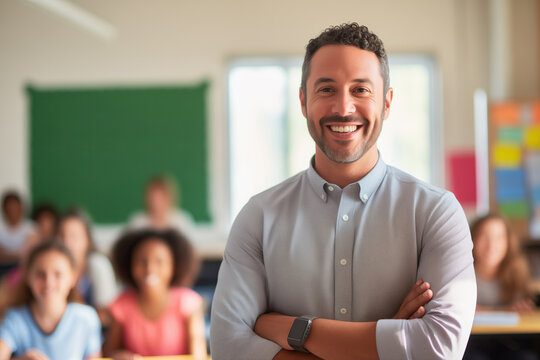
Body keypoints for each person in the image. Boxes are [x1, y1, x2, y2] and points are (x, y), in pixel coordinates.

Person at [210, 23, 476, 360]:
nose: (344, 107)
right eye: (326, 89)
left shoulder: (435, 212)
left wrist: (293, 329)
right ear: (304, 101)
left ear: (388, 103)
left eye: (361, 89)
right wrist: (388, 336)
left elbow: (439, 348)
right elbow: (228, 349)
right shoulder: (259, 217)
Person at [104, 229, 206, 360]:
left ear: (173, 266)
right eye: (142, 261)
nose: (149, 269)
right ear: (130, 265)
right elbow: (108, 353)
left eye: (159, 261)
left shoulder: (187, 303)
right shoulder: (122, 305)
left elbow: (199, 355)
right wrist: (119, 356)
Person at [0, 241, 102, 360]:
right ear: (28, 276)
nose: (49, 283)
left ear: (73, 277)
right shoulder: (15, 319)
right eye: (40, 274)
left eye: (58, 274)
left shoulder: (87, 318)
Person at [463, 214, 537, 360]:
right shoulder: (461, 274)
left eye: (499, 238)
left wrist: (522, 309)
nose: (491, 245)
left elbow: (523, 312)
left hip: (508, 343)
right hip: (470, 343)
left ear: (508, 242)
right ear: (472, 239)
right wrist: (505, 311)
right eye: (484, 237)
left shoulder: (516, 272)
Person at [57, 208, 118, 325]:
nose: (66, 242)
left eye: (74, 236)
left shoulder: (98, 265)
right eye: (61, 235)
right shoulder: (51, 266)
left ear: (88, 241)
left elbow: (106, 315)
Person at [0, 191, 34, 275]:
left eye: (15, 207)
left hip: (23, 269)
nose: (13, 211)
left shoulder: (31, 228)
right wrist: (18, 255)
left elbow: (29, 253)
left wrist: (6, 254)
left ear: (21, 208)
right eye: (9, 208)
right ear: (4, 209)